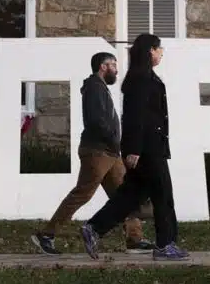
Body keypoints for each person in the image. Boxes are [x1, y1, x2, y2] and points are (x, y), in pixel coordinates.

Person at [31, 52, 156, 255]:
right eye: (113, 65)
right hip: (98, 151)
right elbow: (96, 121)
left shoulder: (99, 88)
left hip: (110, 152)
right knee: (82, 193)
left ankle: (135, 239)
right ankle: (46, 235)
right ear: (103, 66)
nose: (116, 69)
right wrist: (115, 139)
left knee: (127, 194)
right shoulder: (94, 87)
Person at [80, 34, 189, 261]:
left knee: (131, 196)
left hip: (146, 148)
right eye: (159, 49)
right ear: (150, 51)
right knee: (163, 196)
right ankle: (165, 245)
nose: (161, 53)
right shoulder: (142, 80)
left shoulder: (142, 78)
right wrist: (134, 149)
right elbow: (135, 117)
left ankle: (94, 228)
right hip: (148, 150)